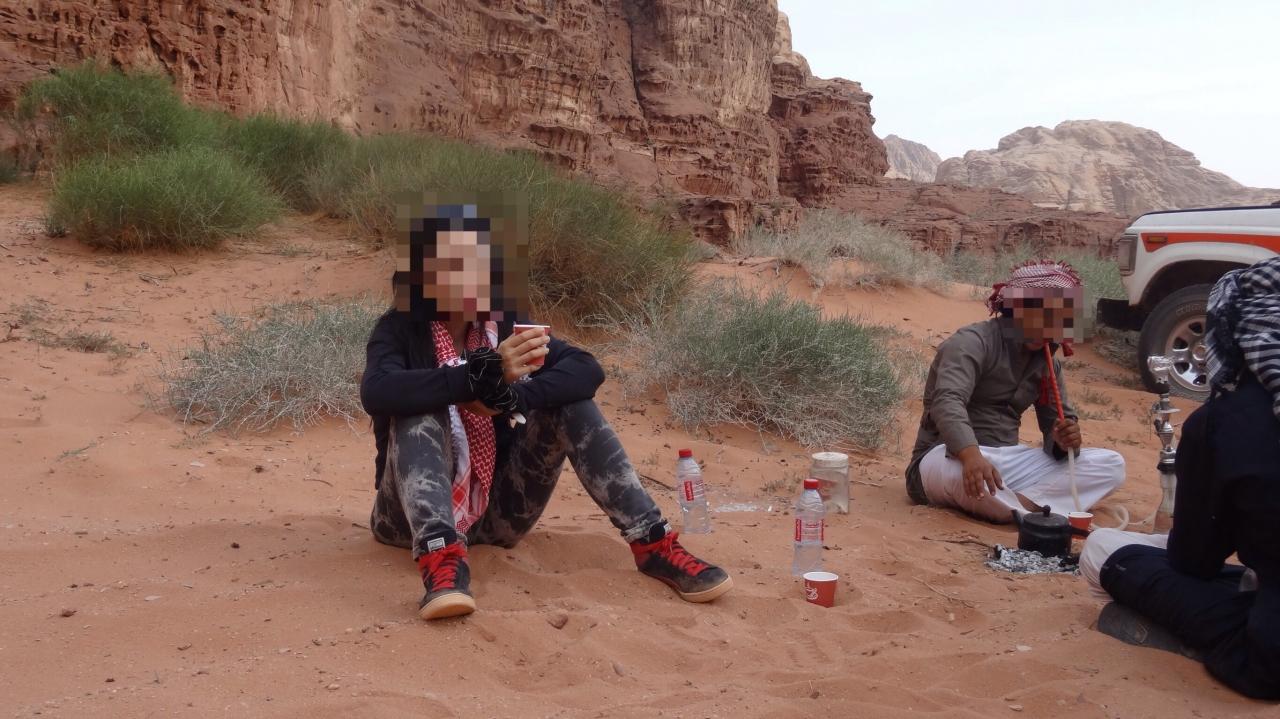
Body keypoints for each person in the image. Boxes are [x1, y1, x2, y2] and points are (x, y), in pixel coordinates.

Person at [361, 199, 732, 620]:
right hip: (404, 522)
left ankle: (654, 543)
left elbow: (586, 368)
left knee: (570, 402)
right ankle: (441, 562)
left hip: (499, 516)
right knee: (417, 405)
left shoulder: (504, 323)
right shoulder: (398, 329)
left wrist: (514, 398)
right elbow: (377, 391)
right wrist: (480, 377)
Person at [1080, 256, 1280, 700]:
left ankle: (1176, 645)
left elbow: (1194, 562)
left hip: (1270, 660)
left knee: (1103, 549)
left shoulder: (1222, 422)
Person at [904, 260, 1125, 522]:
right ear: (1017, 309)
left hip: (1006, 463)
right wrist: (971, 456)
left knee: (1111, 464)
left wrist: (1064, 441)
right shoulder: (971, 342)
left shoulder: (1048, 362)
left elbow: (1057, 431)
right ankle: (1034, 510)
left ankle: (1019, 508)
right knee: (963, 475)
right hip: (948, 457)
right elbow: (947, 402)